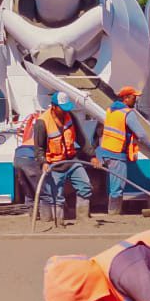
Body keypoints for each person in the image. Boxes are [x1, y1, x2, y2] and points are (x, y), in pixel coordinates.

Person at [30, 93, 95, 222]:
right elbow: (39, 149)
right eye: (62, 108)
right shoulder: (42, 123)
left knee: (85, 186)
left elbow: (81, 138)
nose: (65, 111)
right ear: (54, 106)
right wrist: (43, 162)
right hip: (54, 165)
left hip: (71, 160)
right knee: (56, 195)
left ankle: (83, 219)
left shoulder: (70, 116)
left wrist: (92, 156)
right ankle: (58, 222)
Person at [98, 86, 150, 215]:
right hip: (116, 152)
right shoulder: (127, 113)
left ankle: (113, 211)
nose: (135, 101)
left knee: (113, 184)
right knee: (117, 186)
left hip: (106, 151)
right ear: (126, 98)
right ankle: (114, 213)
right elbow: (141, 133)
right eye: (134, 98)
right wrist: (149, 146)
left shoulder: (110, 110)